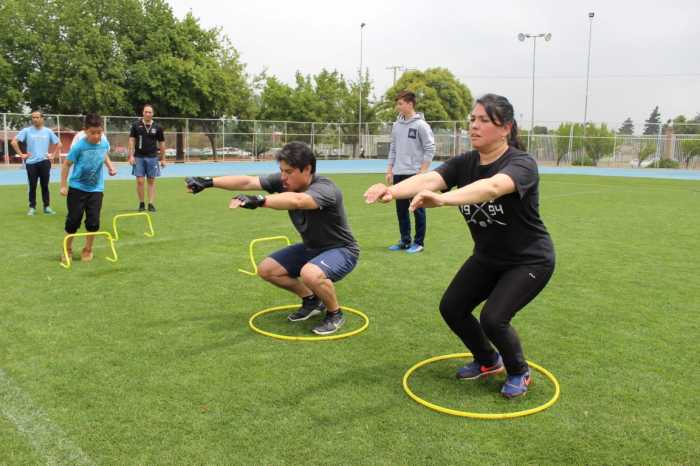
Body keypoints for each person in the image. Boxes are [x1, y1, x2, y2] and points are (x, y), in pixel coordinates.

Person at [364, 94, 555, 399]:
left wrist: (443, 198)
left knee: (494, 318)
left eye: (483, 120)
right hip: (487, 258)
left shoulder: (521, 163)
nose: (474, 126)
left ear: (506, 128)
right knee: (452, 307)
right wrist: (391, 189)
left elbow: (492, 187)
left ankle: (518, 371)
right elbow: (430, 178)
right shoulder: (464, 161)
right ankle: (488, 361)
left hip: (529, 260)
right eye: (472, 119)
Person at [185, 141, 359, 335]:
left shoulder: (326, 189)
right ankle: (312, 300)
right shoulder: (285, 181)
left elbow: (297, 201)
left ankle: (335, 314)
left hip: (342, 250)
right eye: (282, 170)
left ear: (307, 169)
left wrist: (259, 200)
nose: (283, 177)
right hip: (311, 248)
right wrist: (208, 182)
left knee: (310, 273)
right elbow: (247, 182)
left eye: (289, 171)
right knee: (267, 270)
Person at [60, 113, 118, 262]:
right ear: (85, 130)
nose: (96, 136)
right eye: (92, 133)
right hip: (77, 188)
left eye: (99, 132)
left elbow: (104, 154)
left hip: (96, 189)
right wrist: (63, 186)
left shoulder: (104, 143)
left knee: (93, 222)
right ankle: (67, 249)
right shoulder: (79, 146)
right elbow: (66, 165)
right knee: (73, 221)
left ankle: (87, 249)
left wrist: (110, 167)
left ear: (102, 130)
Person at [385, 91, 435, 254]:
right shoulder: (396, 125)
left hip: (415, 175)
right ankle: (405, 241)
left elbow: (430, 148)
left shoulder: (421, 125)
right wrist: (390, 169)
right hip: (399, 173)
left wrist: (422, 171)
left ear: (410, 104)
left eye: (400, 104)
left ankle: (418, 242)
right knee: (401, 209)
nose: (397, 107)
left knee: (418, 208)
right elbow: (393, 147)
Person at [11, 110, 63, 215]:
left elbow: (59, 144)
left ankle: (47, 207)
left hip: (44, 162)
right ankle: (32, 207)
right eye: (33, 117)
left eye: (37, 117)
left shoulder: (47, 132)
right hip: (31, 163)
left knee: (45, 185)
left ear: (42, 118)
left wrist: (52, 155)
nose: (35, 119)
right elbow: (14, 142)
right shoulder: (27, 131)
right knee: (32, 186)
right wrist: (22, 155)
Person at [129, 104, 166, 212]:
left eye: (150, 112)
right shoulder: (136, 125)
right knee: (140, 181)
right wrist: (131, 156)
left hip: (152, 157)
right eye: (146, 112)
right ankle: (141, 203)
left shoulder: (157, 127)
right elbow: (131, 140)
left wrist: (163, 159)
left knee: (150, 181)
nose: (148, 114)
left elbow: (162, 143)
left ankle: (150, 204)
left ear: (152, 113)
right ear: (143, 112)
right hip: (139, 157)